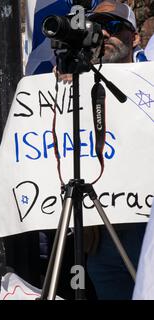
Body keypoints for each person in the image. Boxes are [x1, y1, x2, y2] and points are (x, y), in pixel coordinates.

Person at [55, 0, 147, 300]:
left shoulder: (150, 82)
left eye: (114, 27)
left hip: (146, 228)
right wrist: (64, 96)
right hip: (99, 232)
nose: (104, 34)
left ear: (135, 38)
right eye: (97, 26)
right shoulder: (70, 83)